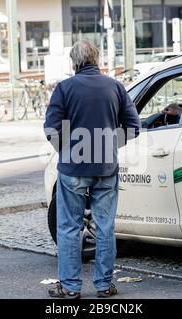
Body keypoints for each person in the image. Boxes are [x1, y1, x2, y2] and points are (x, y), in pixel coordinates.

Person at [44, 40, 141, 299]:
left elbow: (52, 129)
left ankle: (70, 287)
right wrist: (109, 144)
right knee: (105, 227)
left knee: (68, 228)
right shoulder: (115, 87)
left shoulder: (64, 88)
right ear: (96, 58)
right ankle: (103, 285)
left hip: (73, 168)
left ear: (74, 62)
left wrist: (67, 149)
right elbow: (133, 126)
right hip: (106, 167)